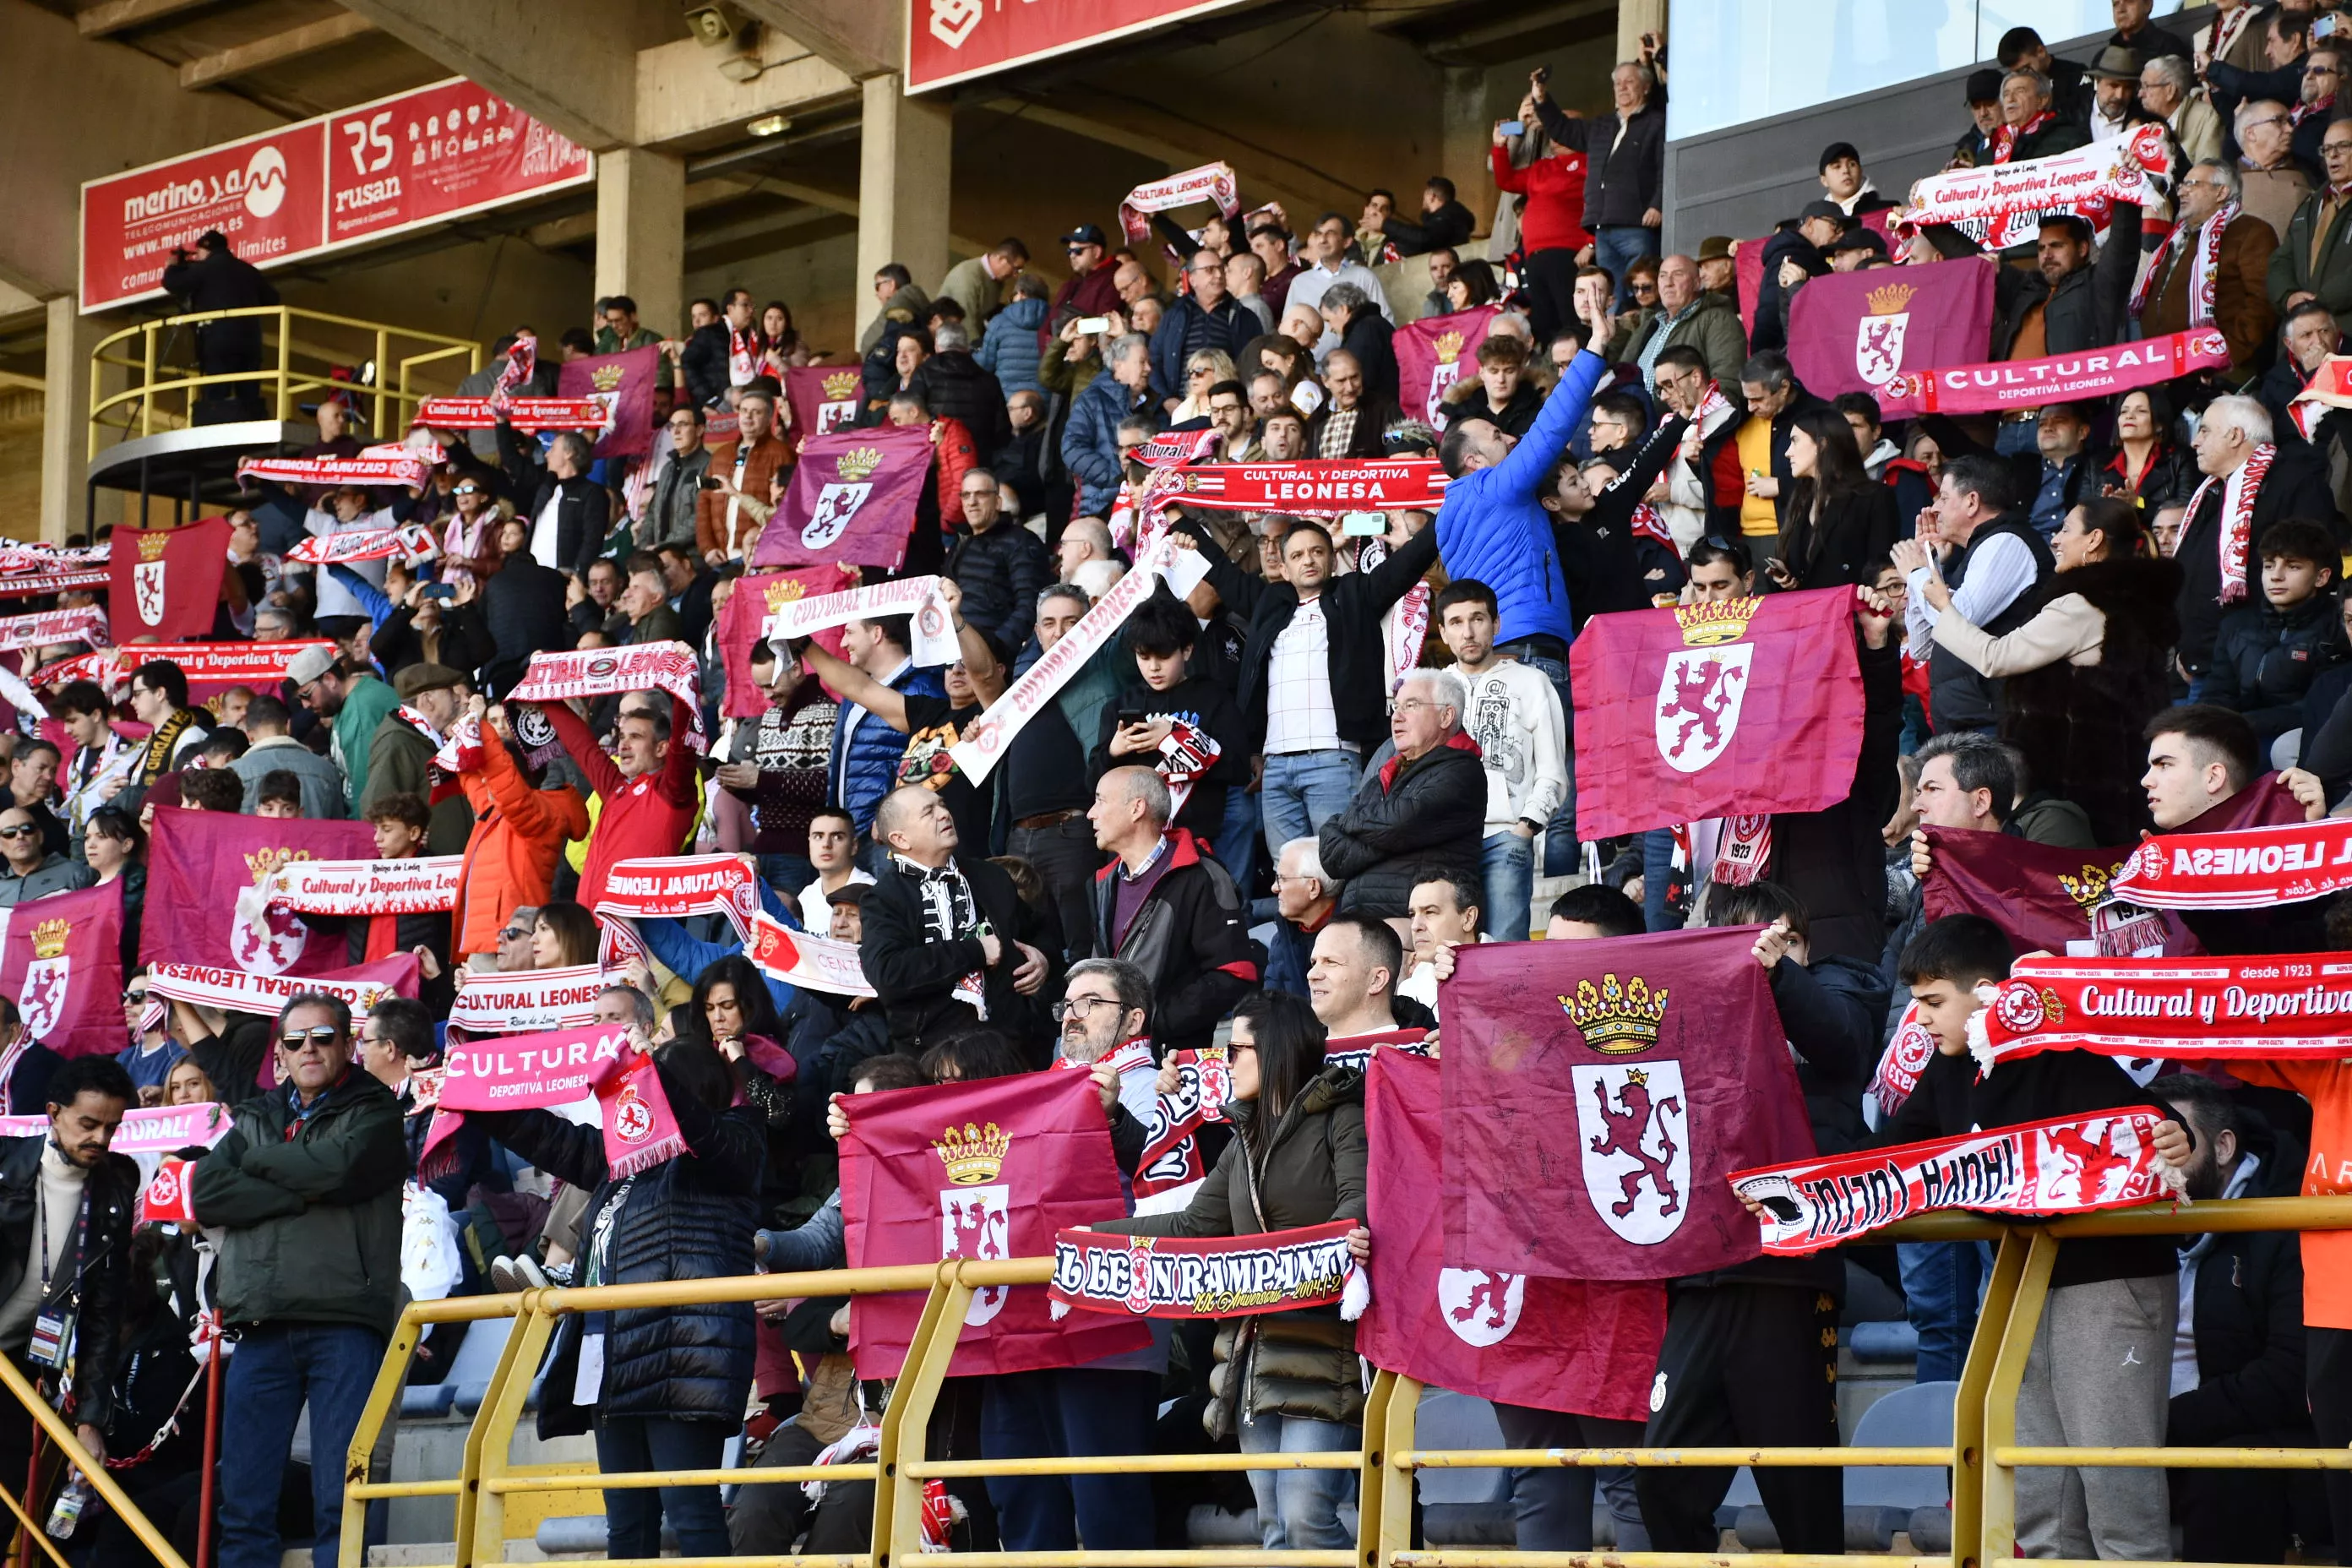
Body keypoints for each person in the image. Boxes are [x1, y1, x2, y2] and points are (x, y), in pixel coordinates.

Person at [1862, 917, 2190, 1562]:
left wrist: (2180, 1139)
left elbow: (2158, 1129)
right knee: (2040, 1500)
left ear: (1986, 994)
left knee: (2116, 1496)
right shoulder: (1949, 1068)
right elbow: (1883, 1161)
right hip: (2021, 1285)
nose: (1920, 1021)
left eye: (1933, 1003)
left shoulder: (2059, 1048)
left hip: (2108, 1282)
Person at [1094, 990, 1369, 1551]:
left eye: (1236, 1049)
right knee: (1272, 1527)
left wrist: (1337, 1242)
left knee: (1304, 1518)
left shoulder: (1343, 1116)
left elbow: (1356, 1209)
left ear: (1276, 1050)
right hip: (1251, 1358)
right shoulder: (1242, 1138)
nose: (1225, 1063)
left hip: (1325, 1348)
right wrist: (1085, 1238)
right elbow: (1193, 1225)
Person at [474, 1041, 759, 1563]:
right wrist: (474, 1090)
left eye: (645, 1082)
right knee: (626, 1527)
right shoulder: (622, 1155)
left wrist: (655, 1074)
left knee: (691, 1513)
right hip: (610, 1358)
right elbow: (547, 1137)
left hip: (682, 1355)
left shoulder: (734, 1140)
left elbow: (705, 1133)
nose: (633, 1093)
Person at [194, 993, 405, 1568]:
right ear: (280, 1054)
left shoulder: (379, 1110)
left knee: (342, 1500)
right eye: (293, 1041)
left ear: (347, 1044)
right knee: (243, 1505)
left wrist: (258, 1164)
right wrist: (303, 1182)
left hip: (345, 1321)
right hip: (259, 1324)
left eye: (322, 1037)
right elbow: (207, 1193)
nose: (307, 1048)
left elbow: (339, 1167)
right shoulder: (259, 1114)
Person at [1174, 514, 1436, 860]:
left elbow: (1408, 564)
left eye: (1317, 552)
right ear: (1283, 568)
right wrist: (1182, 522)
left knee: (1336, 867)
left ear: (1331, 560)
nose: (1308, 560)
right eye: (1297, 556)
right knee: (1289, 877)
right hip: (1276, 767)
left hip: (1334, 758)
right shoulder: (1268, 604)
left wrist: (1444, 514)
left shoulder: (1357, 594)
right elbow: (1223, 571)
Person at [1923, 499, 2179, 843]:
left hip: (2073, 776)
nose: (2056, 539)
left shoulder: (2081, 605)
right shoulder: (2139, 602)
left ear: (2094, 539)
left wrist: (1944, 607)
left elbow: (1995, 657)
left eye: (2066, 530)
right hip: (2121, 771)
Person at [2148, 1073, 2315, 1565]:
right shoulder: (2127, 1220)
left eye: (2177, 1139)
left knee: (2231, 1476)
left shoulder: (2287, 1222)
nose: (2160, 1158)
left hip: (2233, 1441)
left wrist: (2162, 1424)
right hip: (2143, 1431)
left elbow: (2287, 1374)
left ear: (2223, 1147)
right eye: (2147, 1142)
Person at [859, 784, 1048, 1054]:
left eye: (942, 805)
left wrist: (1043, 959)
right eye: (928, 812)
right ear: (901, 840)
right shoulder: (883, 899)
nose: (944, 814)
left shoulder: (991, 877)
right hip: (933, 1059)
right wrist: (975, 951)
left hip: (1009, 1048)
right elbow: (889, 973)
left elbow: (1040, 931)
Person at [2172, 395, 2339, 691]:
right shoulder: (2210, 494)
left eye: (2205, 430)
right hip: (2194, 665)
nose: (2195, 442)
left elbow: (2312, 575)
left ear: (2235, 436)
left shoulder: (2295, 485)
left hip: (2252, 674)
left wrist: (2257, 657)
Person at [1083, 766, 1255, 1053]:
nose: (1090, 813)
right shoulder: (1102, 883)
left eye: (1100, 800)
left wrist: (1153, 1022)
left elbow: (1233, 973)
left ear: (1137, 808)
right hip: (1107, 1057)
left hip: (1171, 1066)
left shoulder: (1202, 875)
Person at [1433, 581, 1565, 941]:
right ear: (1443, 633)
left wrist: (1525, 827)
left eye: (1478, 618)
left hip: (1507, 835)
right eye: (1457, 622)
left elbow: (1553, 770)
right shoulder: (1433, 689)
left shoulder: (1532, 682)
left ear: (1497, 624)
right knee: (1447, 950)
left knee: (1506, 950)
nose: (1469, 631)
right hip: (1446, 841)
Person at [1893, 454, 2054, 736]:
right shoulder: (1973, 553)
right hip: (1963, 720)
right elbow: (1923, 646)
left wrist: (1917, 574)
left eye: (1942, 498)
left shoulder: (2006, 542)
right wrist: (1931, 566)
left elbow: (1960, 619)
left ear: (1972, 501)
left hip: (1998, 718)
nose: (1934, 508)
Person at [531, 692, 698, 909]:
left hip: (635, 930)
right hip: (591, 926)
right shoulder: (616, 788)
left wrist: (684, 691)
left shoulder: (672, 792)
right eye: (622, 736)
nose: (623, 745)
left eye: (635, 737)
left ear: (661, 748)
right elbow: (582, 745)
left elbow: (681, 750)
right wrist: (545, 696)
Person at [1528, 57, 1664, 309]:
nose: (1622, 88)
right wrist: (1541, 97)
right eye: (1618, 83)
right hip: (1602, 226)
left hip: (1637, 222)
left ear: (1645, 88)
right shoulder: (1602, 125)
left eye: (1630, 82)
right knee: (1609, 300)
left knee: (1642, 292)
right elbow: (1562, 129)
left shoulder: (1656, 122)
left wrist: (1658, 204)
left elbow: (1665, 166)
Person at [2202, 517, 2347, 754]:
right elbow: (2218, 690)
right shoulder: (2237, 625)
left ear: (2321, 577)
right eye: (2269, 565)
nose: (2276, 576)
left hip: (2301, 739)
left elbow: (2318, 706)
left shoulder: (2338, 628)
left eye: (2293, 566)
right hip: (2236, 732)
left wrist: (2244, 724)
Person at [2133, 160, 2278, 378]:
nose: (2182, 191)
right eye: (2181, 185)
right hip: (2164, 368)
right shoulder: (2178, 236)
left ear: (2221, 192)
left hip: (2218, 372)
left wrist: (2228, 354)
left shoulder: (2251, 232)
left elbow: (2262, 302)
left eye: (2192, 184)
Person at [1770, 406, 1899, 591]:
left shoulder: (1874, 497)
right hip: (1807, 614)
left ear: (1822, 444)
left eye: (1795, 441)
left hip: (1853, 614)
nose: (1787, 452)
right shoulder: (1800, 497)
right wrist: (1787, 578)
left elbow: (1881, 569)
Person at [159, 231, 279, 422]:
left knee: (217, 394)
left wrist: (173, 267)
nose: (196, 257)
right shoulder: (248, 270)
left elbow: (172, 283)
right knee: (248, 394)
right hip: (250, 343)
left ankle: (214, 432)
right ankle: (250, 426)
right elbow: (273, 298)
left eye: (197, 253)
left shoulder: (205, 269)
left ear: (205, 249)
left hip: (218, 342)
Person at [362, 662, 471, 855]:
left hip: (445, 870)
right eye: (449, 691)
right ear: (427, 700)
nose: (457, 698)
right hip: (425, 876)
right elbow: (376, 809)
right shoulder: (396, 741)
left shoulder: (427, 738)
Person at [290, 647, 401, 814]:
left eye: (307, 695)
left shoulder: (361, 711)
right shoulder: (347, 703)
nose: (305, 705)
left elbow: (368, 792)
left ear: (329, 679)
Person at [1621, 253, 1745, 392]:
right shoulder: (1653, 324)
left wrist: (1686, 414)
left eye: (1678, 274)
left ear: (1697, 283)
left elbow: (1727, 384)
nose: (1668, 282)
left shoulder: (1718, 320)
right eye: (1663, 276)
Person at [698, 381, 790, 565]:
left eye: (756, 412)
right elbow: (704, 503)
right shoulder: (721, 455)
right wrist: (707, 549)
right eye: (744, 410)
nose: (748, 416)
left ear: (770, 418)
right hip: (720, 557)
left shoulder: (782, 454)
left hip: (759, 556)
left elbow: (784, 508)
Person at [2268, 119, 2352, 315]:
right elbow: (2281, 260)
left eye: (2344, 146)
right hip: (2301, 330)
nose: (2333, 154)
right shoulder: (2310, 203)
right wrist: (2289, 297)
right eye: (2327, 149)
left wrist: (2316, 303)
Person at [228, 694, 344, 818]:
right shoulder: (326, 769)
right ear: (288, 726)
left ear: (249, 735)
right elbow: (339, 828)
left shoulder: (232, 773)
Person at [0, 804, 93, 908]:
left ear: (40, 836)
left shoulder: (73, 873)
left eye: (27, 829)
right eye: (9, 833)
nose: (20, 836)